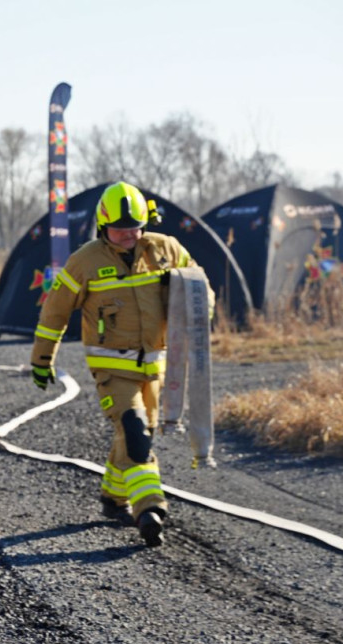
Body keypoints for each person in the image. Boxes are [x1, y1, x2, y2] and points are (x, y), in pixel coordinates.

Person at [30, 181, 212, 548]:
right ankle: (149, 508)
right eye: (119, 229)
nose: (129, 236)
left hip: (156, 366)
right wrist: (42, 359)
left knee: (135, 435)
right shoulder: (85, 261)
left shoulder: (166, 249)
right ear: (102, 226)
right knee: (133, 429)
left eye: (135, 228)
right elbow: (55, 311)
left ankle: (113, 495)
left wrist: (202, 312)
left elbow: (198, 284)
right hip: (112, 367)